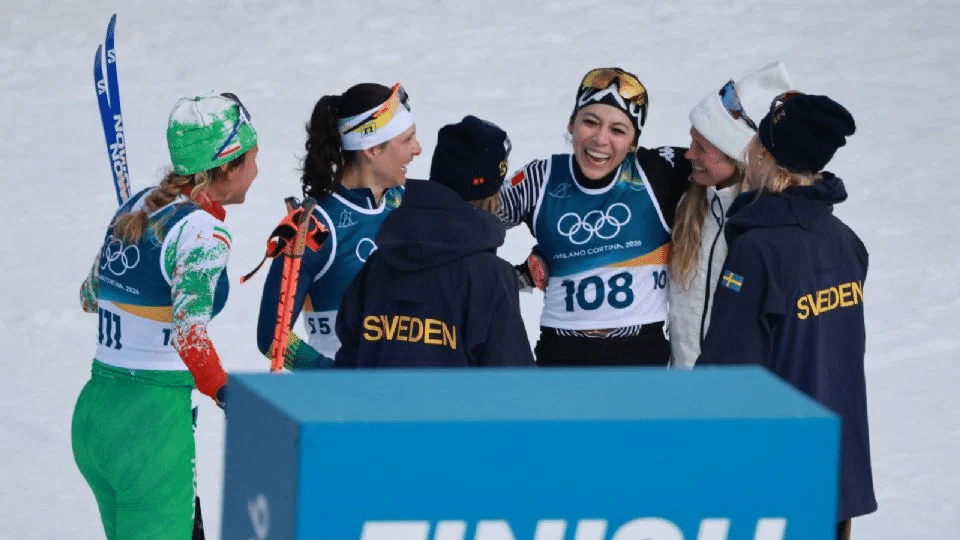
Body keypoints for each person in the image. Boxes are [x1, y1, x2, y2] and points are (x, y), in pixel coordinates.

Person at [72, 92, 259, 540]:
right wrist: (232, 397)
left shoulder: (137, 205)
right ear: (227, 167)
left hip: (97, 414)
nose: (257, 171)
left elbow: (89, 296)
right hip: (150, 424)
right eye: (253, 158)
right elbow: (189, 336)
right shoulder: (203, 232)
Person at [697, 92, 876, 538]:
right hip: (836, 468)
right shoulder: (846, 242)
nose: (751, 151)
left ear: (768, 158)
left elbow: (727, 369)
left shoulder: (757, 251)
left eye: (759, 142)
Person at [497, 67, 691, 366]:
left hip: (641, 357)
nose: (600, 139)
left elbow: (726, 164)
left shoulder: (657, 173)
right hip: (562, 356)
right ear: (571, 124)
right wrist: (509, 276)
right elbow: (467, 224)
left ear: (633, 142)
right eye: (590, 122)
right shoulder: (541, 178)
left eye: (618, 130)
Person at [335, 115, 535, 368]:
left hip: (375, 407)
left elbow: (347, 365)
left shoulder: (377, 264)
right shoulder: (490, 277)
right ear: (493, 196)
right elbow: (513, 384)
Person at [256, 83, 421, 369]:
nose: (417, 149)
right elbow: (273, 338)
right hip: (344, 404)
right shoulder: (314, 225)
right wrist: (334, 378)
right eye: (407, 140)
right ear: (371, 149)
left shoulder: (403, 204)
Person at [669, 62, 793, 368]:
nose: (688, 154)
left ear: (736, 156)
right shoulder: (689, 204)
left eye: (701, 147)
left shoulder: (769, 224)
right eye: (691, 140)